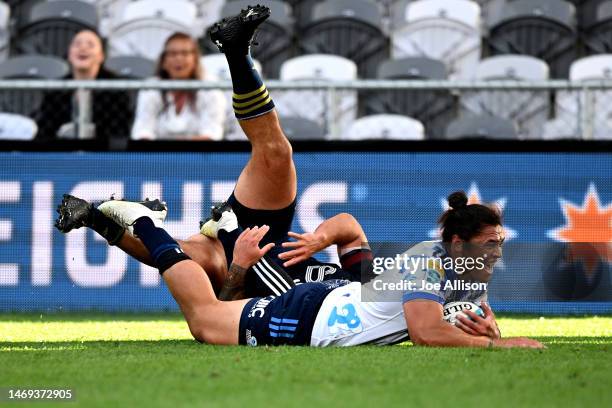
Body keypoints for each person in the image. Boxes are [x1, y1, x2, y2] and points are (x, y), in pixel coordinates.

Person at [56, 6, 543, 349]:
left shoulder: (409, 283)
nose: (498, 252)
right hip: (277, 252)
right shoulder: (371, 279)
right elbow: (351, 226)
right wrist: (315, 240)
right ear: (458, 242)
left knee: (187, 272)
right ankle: (236, 53)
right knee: (277, 154)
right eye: (492, 242)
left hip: (246, 272)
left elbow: (231, 302)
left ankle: (111, 219)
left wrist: (244, 267)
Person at [35, 30, 132, 143]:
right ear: (69, 55)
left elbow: (119, 132)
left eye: (90, 45)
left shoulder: (115, 89)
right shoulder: (56, 90)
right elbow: (45, 131)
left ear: (101, 56)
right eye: (77, 44)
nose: (83, 48)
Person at [130, 32, 226, 141]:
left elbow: (212, 134)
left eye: (185, 53)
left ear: (195, 60)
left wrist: (177, 147)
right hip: (157, 155)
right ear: (164, 61)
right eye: (172, 54)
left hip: (201, 154)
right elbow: (142, 130)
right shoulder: (150, 87)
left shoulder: (210, 87)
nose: (178, 58)